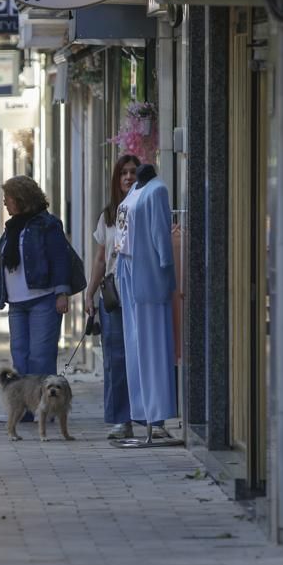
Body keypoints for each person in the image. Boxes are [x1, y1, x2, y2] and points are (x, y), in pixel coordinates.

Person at [0, 176, 71, 422]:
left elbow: (60, 259)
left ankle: (46, 410)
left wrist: (62, 292)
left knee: (41, 356)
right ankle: (23, 409)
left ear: (22, 199)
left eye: (9, 198)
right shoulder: (11, 227)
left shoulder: (48, 224)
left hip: (43, 298)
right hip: (16, 302)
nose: (5, 203)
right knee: (20, 355)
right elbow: (4, 266)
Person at [114, 164, 177, 437]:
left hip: (149, 274)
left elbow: (160, 231)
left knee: (153, 346)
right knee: (135, 345)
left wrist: (166, 265)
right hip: (128, 273)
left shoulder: (158, 190)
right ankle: (142, 411)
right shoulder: (135, 191)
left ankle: (158, 414)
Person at [86, 155, 140, 439]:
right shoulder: (107, 215)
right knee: (116, 358)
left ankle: (144, 415)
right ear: (116, 179)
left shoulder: (142, 209)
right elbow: (99, 259)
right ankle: (122, 419)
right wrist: (89, 292)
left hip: (140, 294)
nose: (129, 177)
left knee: (140, 356)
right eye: (124, 173)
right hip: (113, 295)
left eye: (133, 172)